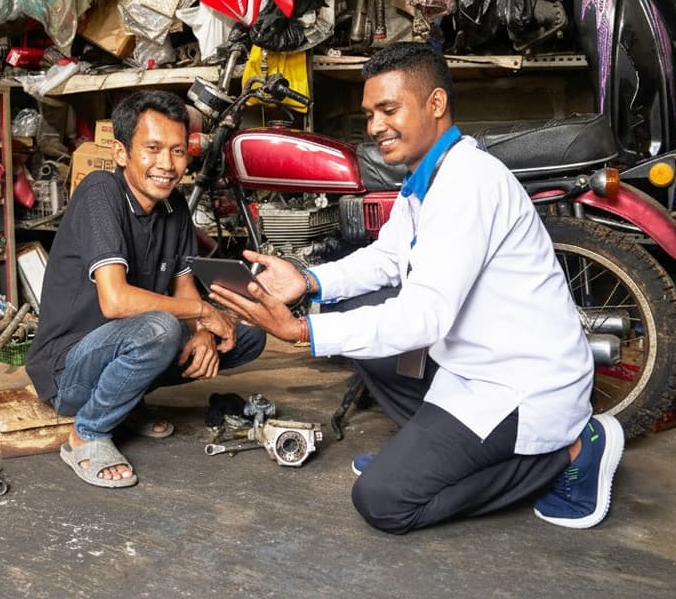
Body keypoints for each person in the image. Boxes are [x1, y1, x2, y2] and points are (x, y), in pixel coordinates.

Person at [211, 42, 624, 533]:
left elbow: (425, 317)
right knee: (359, 310)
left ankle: (573, 449)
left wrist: (303, 332)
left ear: (435, 104)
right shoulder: (425, 180)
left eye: (389, 109)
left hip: (521, 386)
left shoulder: (467, 184)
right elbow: (388, 259)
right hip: (471, 369)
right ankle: (427, 456)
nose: (375, 126)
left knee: (383, 500)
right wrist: (308, 280)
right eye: (369, 114)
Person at [26, 89, 265, 488]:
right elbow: (117, 301)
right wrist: (204, 314)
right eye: (152, 149)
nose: (167, 165)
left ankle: (125, 403)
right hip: (68, 369)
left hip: (131, 345)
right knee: (162, 328)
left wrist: (205, 333)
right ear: (122, 153)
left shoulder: (174, 208)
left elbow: (185, 288)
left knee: (248, 333)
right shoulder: (101, 192)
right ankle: (87, 433)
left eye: (177, 151)